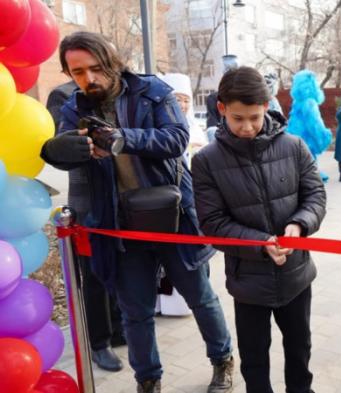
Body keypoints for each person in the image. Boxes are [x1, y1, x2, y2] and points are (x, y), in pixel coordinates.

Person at [39, 32, 233, 393]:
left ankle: (223, 361)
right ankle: (148, 381)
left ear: (112, 63)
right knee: (136, 313)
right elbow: (56, 153)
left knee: (201, 298)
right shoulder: (73, 108)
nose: (89, 79)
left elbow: (176, 139)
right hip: (119, 226)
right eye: (78, 72)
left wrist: (122, 139)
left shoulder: (152, 91)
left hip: (173, 218)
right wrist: (68, 148)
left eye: (96, 68)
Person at [192, 66, 326, 393]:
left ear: (266, 107)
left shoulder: (293, 146)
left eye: (254, 116)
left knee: (299, 349)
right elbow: (212, 222)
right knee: (254, 359)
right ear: (222, 109)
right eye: (238, 118)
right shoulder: (207, 161)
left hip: (296, 274)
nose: (248, 127)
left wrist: (299, 224)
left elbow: (315, 195)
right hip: (248, 279)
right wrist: (260, 242)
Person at [45, 79, 127, 372]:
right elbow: (55, 148)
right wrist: (80, 144)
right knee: (94, 276)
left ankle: (119, 328)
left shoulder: (121, 90)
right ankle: (99, 343)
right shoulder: (63, 94)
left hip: (122, 195)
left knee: (121, 265)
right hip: (88, 198)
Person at [159, 73, 208, 167]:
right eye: (178, 100)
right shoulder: (159, 127)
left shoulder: (195, 128)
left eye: (186, 101)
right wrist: (188, 148)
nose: (182, 105)